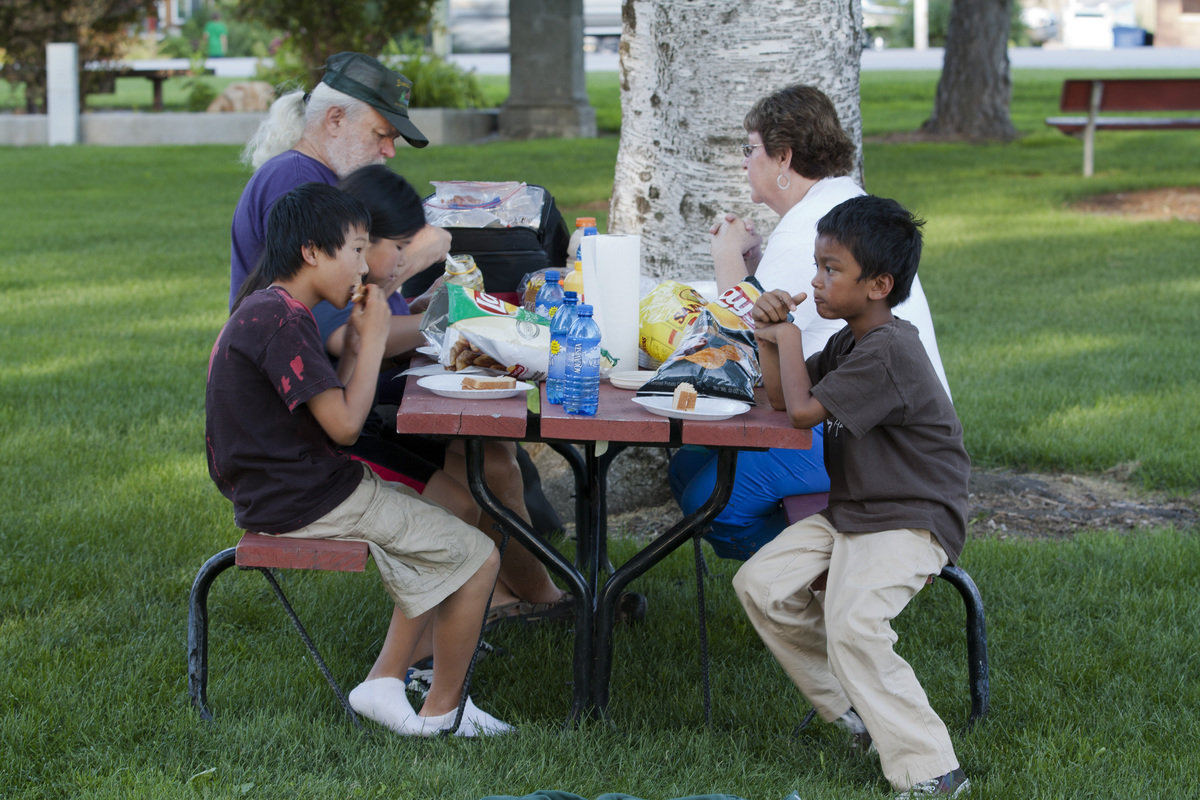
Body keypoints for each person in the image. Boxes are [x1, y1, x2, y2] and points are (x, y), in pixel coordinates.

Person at [208, 182, 512, 737]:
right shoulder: (281, 322)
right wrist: (371, 339)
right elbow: (346, 428)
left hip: (298, 489)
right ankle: (444, 714)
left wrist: (352, 348)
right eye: (354, 249)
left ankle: (384, 680)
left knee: (450, 512)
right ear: (310, 251)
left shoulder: (273, 311)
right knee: (479, 557)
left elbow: (332, 409)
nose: (361, 265)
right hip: (309, 500)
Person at [733, 195, 971, 798]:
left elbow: (804, 413)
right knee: (761, 586)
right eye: (816, 266)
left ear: (879, 285)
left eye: (830, 269)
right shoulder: (850, 342)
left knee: (854, 622)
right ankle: (856, 715)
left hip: (911, 517)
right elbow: (784, 397)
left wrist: (786, 335)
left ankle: (932, 769)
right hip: (857, 512)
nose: (815, 281)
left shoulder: (890, 350)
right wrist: (768, 336)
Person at [669, 83, 950, 561]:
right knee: (688, 465)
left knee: (708, 503)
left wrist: (725, 254)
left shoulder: (811, 227)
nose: (744, 162)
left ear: (783, 157)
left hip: (872, 435)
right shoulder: (831, 211)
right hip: (844, 408)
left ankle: (817, 575)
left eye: (750, 149)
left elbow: (734, 348)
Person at [320, 164, 570, 623]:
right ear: (359, 239)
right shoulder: (330, 282)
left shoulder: (355, 276)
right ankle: (451, 632)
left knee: (489, 455)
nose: (402, 260)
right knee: (478, 476)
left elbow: (369, 338)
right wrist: (457, 317)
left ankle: (531, 599)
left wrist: (429, 304)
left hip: (356, 423)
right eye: (397, 248)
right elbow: (350, 343)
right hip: (334, 449)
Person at [228, 50, 447, 311]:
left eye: (393, 139)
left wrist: (418, 307)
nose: (389, 151)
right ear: (335, 120)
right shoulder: (296, 181)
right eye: (380, 135)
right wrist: (415, 256)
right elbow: (326, 321)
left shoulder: (323, 176)